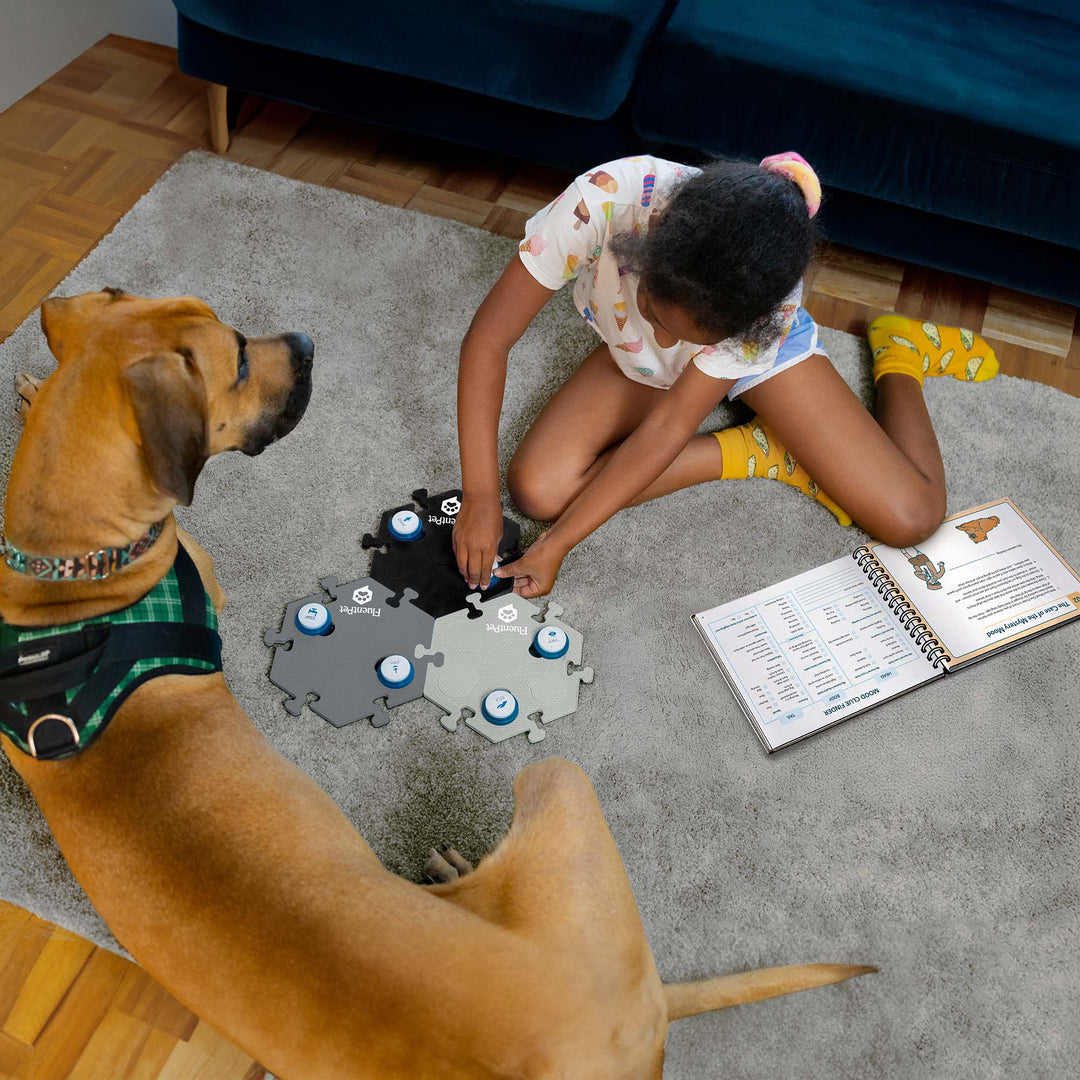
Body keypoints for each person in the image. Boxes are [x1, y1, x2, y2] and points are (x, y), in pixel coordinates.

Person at [452, 153, 998, 599]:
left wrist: (560, 544)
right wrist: (480, 494)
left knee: (911, 518)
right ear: (648, 249)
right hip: (631, 349)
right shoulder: (603, 198)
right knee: (537, 490)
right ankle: (754, 446)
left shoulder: (767, 301)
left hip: (756, 353)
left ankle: (900, 353)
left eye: (689, 336)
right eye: (661, 317)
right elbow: (489, 340)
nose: (670, 343)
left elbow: (670, 426)